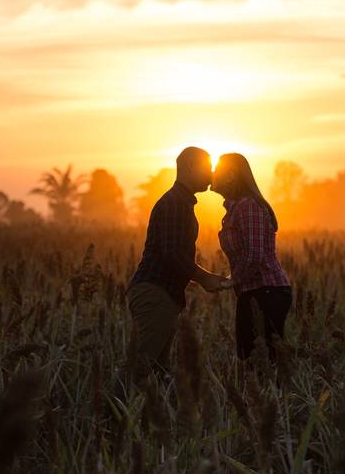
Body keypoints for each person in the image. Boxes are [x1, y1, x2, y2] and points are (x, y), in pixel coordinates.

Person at [125, 146, 230, 378]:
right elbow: (171, 253)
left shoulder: (180, 202)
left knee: (158, 372)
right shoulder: (174, 203)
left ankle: (139, 414)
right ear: (191, 166)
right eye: (208, 167)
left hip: (162, 294)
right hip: (155, 293)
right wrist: (204, 278)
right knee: (140, 368)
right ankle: (112, 413)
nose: (212, 173)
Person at [212, 153, 292, 361]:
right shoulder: (236, 209)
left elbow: (254, 255)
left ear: (230, 175)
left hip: (266, 292)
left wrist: (231, 281)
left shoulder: (248, 206)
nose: (212, 174)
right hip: (255, 292)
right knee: (252, 360)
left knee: (259, 361)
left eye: (216, 169)